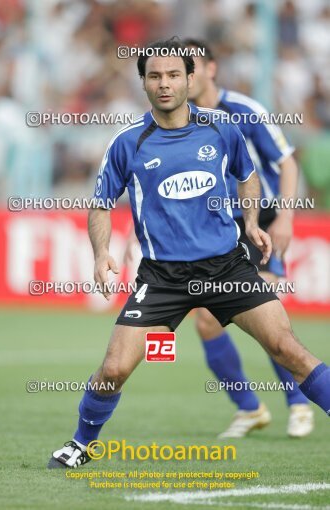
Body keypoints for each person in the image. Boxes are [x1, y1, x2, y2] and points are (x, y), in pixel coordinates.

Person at [48, 38, 329, 469]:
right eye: (155, 76)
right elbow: (101, 204)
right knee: (114, 369)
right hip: (161, 278)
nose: (165, 84)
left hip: (227, 267)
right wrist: (102, 251)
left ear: (190, 78)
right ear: (143, 82)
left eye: (174, 75)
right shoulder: (128, 141)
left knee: (288, 348)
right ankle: (81, 443)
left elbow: (248, 176)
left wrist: (252, 221)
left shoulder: (221, 127)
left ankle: (270, 407)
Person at [182, 38, 314, 438]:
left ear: (211, 68)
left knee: (266, 319)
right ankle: (249, 408)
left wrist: (287, 218)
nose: (184, 76)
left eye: (191, 66)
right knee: (206, 322)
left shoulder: (244, 110)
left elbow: (286, 161)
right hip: (216, 231)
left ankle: (297, 404)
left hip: (262, 224)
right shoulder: (175, 119)